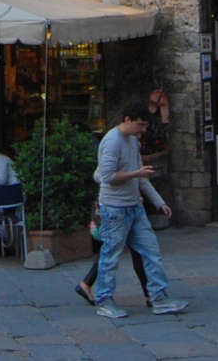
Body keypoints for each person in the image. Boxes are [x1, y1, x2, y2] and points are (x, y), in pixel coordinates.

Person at [91, 101, 188, 318]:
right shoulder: (111, 142)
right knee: (111, 255)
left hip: (134, 207)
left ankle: (159, 298)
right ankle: (104, 300)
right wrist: (136, 174)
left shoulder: (133, 141)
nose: (143, 130)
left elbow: (140, 177)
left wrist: (159, 202)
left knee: (152, 251)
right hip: (115, 209)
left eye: (145, 126)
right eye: (141, 125)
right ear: (127, 120)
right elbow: (106, 177)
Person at [77, 206, 150, 307]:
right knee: (128, 249)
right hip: (119, 208)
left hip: (120, 208)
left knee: (114, 249)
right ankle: (149, 295)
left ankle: (86, 283)